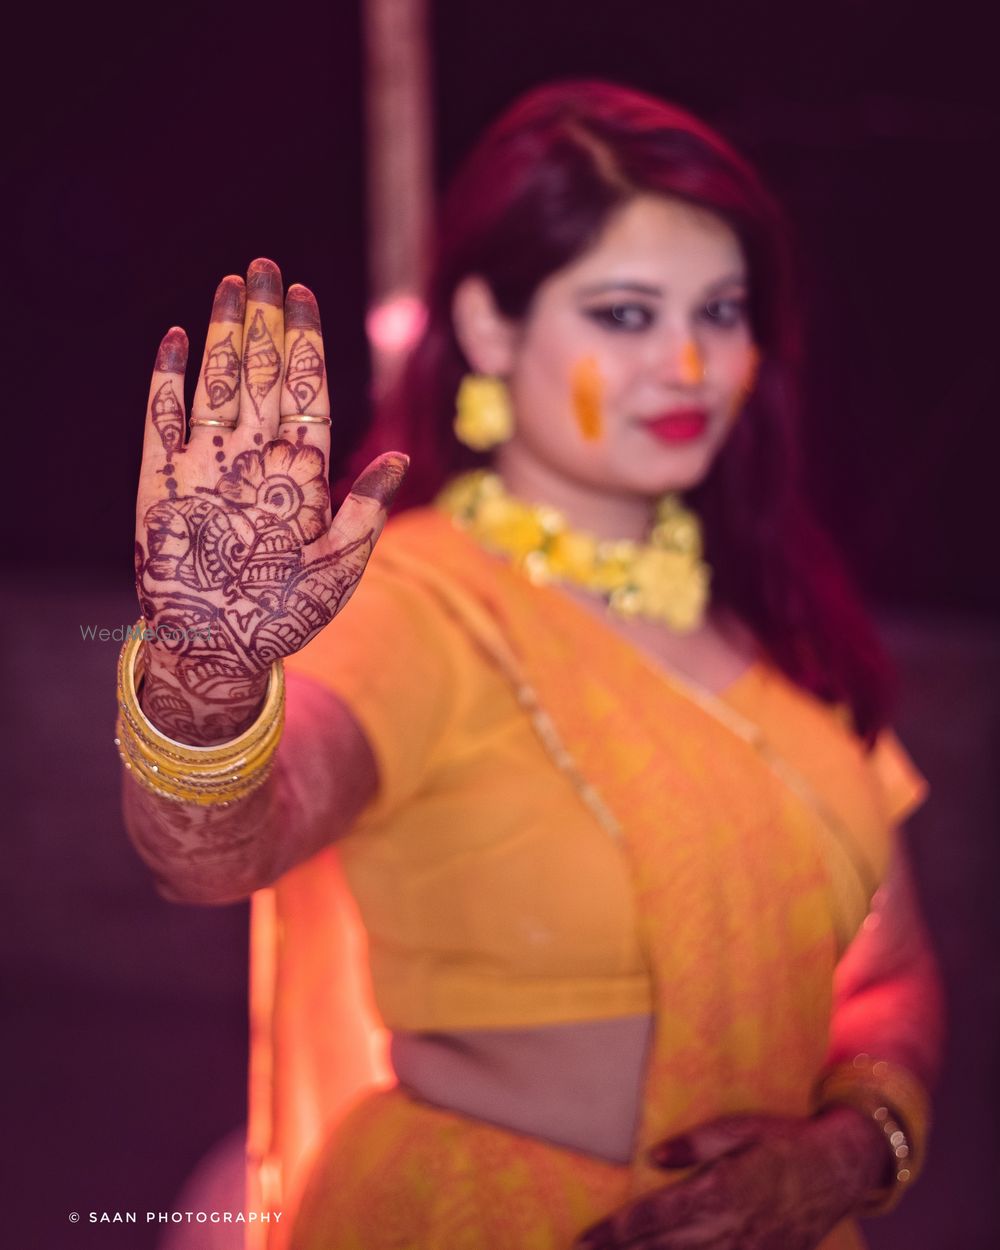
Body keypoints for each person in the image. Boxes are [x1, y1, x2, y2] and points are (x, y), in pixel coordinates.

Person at [119, 80, 943, 1250]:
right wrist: (204, 679)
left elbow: (890, 973)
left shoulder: (780, 624)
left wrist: (857, 1143)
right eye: (623, 314)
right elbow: (219, 849)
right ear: (493, 328)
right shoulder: (420, 599)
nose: (690, 363)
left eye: (720, 310)